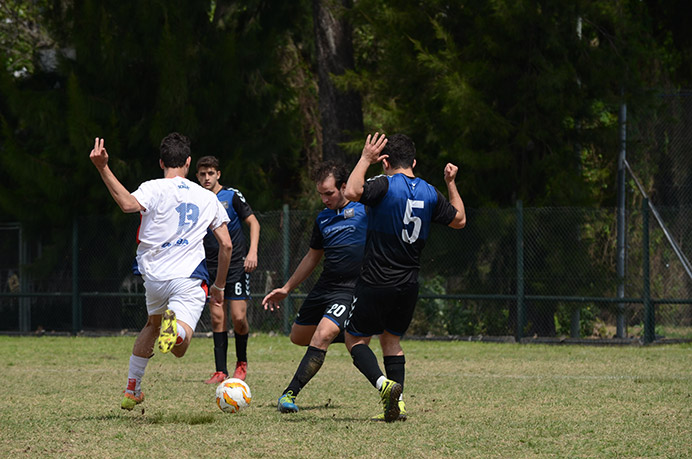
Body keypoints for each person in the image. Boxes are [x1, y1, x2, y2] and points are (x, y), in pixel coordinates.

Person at [89, 133, 233, 411]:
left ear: (161, 162)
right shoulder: (206, 197)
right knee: (179, 347)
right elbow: (226, 245)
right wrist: (219, 286)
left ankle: (132, 389)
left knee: (152, 325)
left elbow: (127, 204)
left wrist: (102, 167)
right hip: (188, 278)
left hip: (153, 277)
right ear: (189, 162)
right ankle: (176, 329)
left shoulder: (152, 188)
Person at [343, 132, 466, 422]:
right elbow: (459, 219)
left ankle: (383, 385)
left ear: (385, 161)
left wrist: (364, 158)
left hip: (375, 280)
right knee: (392, 340)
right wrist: (450, 183)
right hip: (408, 284)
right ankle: (398, 405)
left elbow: (350, 192)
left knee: (354, 339)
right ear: (414, 161)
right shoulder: (430, 192)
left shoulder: (384, 185)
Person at [262, 160, 368, 413]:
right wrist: (287, 288)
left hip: (350, 288)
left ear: (344, 187)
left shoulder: (366, 210)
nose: (324, 199)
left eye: (329, 193)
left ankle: (289, 395)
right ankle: (355, 335)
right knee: (298, 337)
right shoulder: (323, 219)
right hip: (325, 287)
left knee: (321, 337)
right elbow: (312, 257)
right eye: (321, 194)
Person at [196, 156, 260, 383]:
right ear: (197, 176)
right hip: (210, 266)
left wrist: (252, 252)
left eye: (210, 173)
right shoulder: (197, 199)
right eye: (202, 174)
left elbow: (254, 222)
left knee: (239, 317)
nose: (206, 178)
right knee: (216, 318)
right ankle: (220, 371)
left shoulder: (231, 195)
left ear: (218, 174)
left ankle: (241, 362)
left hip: (235, 265)